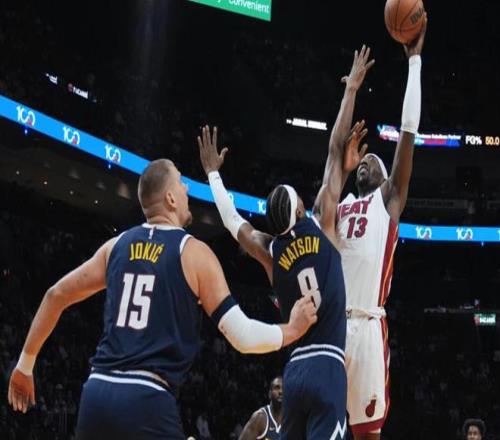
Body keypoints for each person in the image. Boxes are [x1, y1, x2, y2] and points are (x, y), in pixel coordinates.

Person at [7, 159, 317, 440]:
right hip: (147, 399)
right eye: (181, 182)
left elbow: (56, 295)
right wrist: (292, 329)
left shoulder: (115, 247)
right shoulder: (193, 252)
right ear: (170, 198)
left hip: (97, 393)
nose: (186, 188)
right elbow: (243, 336)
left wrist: (24, 365)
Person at [198, 44, 374, 440]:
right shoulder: (321, 222)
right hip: (328, 364)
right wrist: (350, 90)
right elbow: (335, 148)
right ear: (300, 209)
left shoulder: (270, 250)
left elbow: (233, 221)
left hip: (294, 371)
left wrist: (213, 175)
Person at [332, 19, 427, 439]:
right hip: (333, 324)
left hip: (369, 325)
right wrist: (350, 91)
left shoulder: (387, 202)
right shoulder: (340, 204)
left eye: (373, 161)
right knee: (320, 425)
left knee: (367, 434)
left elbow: (407, 135)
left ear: (386, 177)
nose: (365, 162)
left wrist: (415, 64)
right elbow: (333, 157)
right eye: (362, 162)